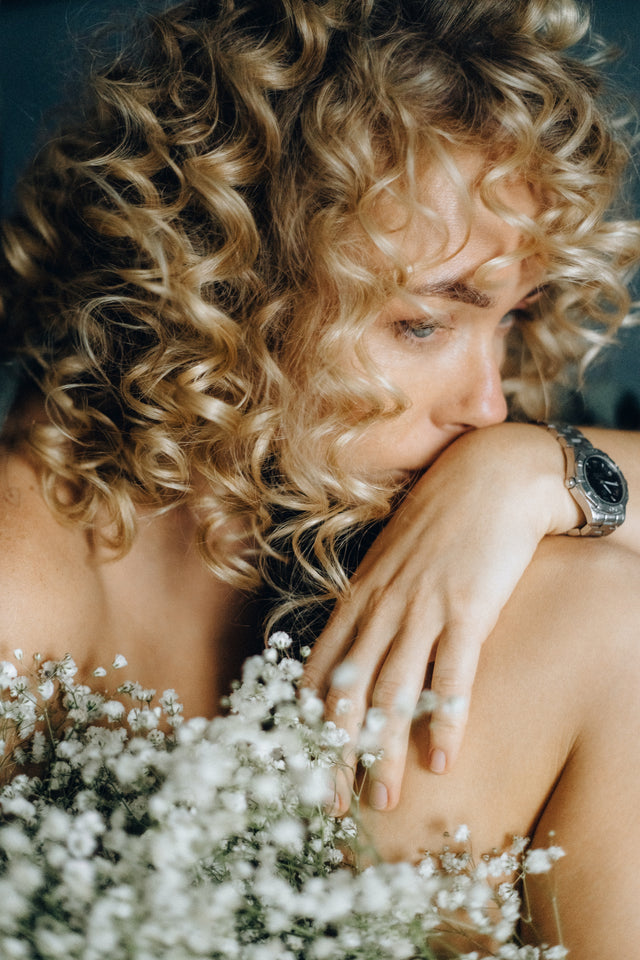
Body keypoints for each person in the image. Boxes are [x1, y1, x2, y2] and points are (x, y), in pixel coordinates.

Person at [1, 0, 640, 952]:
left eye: (507, 321)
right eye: (423, 323)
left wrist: (530, 471)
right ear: (224, 279)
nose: (489, 403)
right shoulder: (23, 572)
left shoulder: (460, 482)